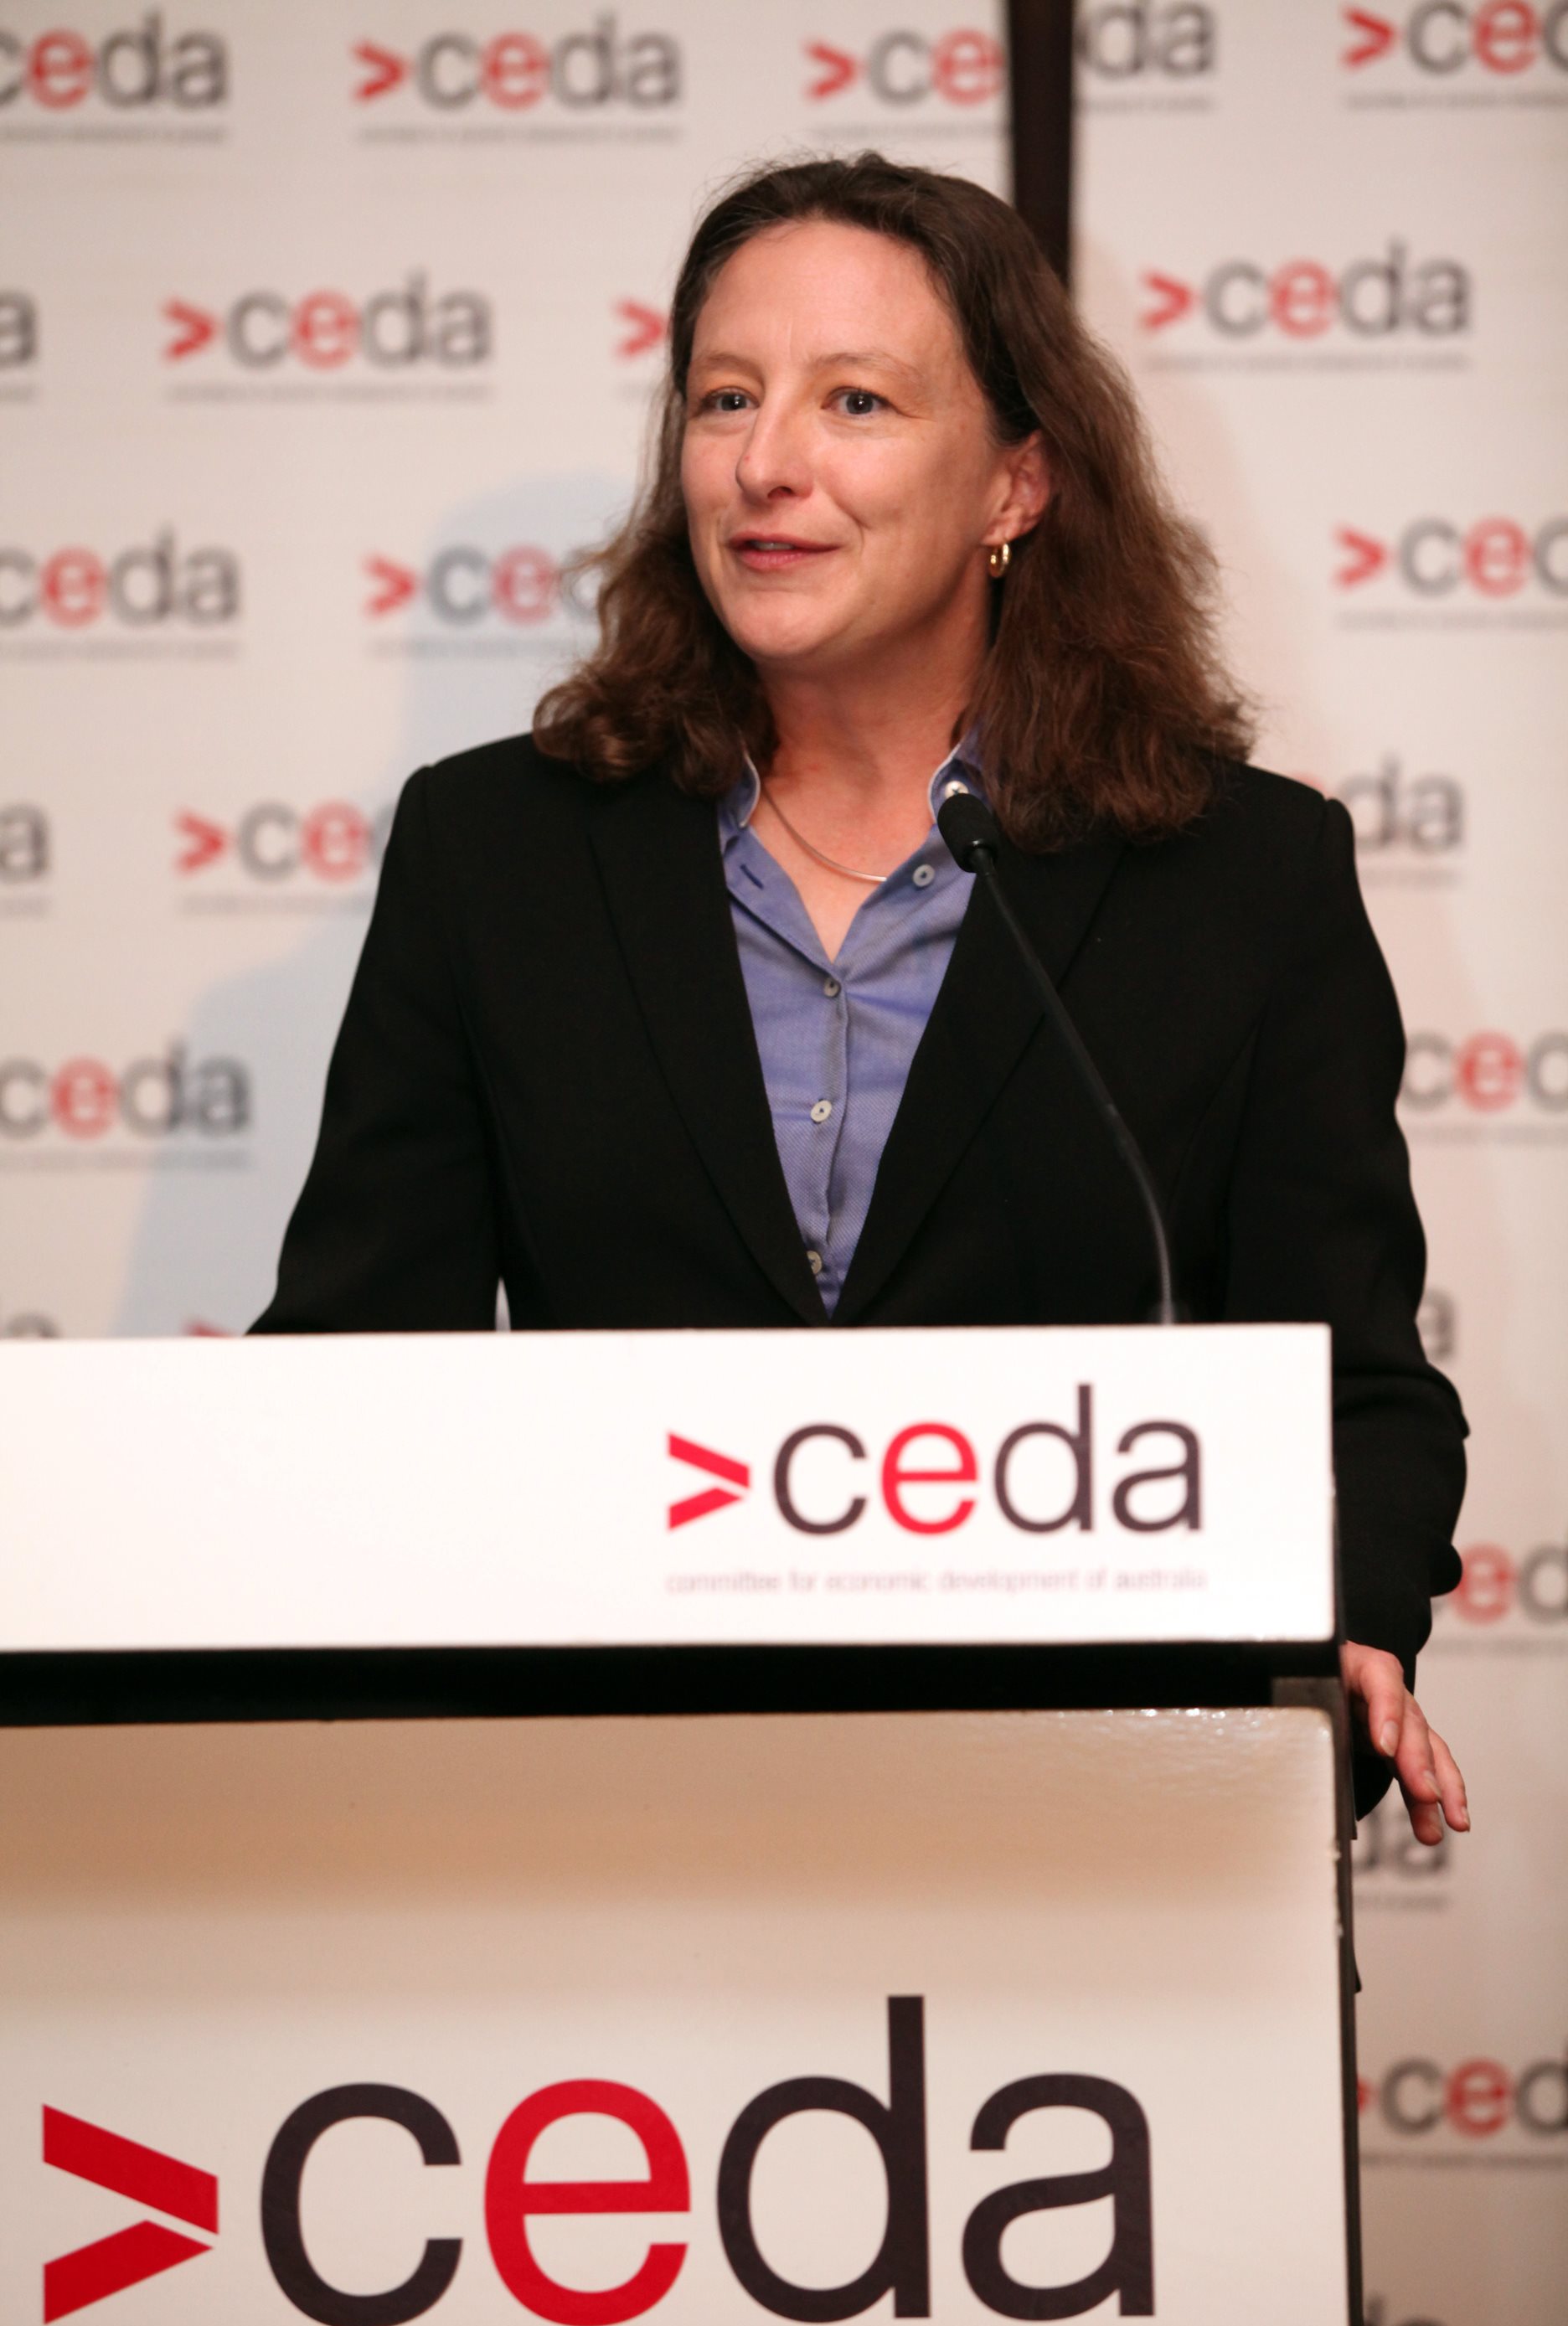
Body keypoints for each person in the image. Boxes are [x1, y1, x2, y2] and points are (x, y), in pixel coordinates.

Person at [253, 152, 1469, 1844]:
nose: (767, 463)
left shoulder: (1241, 877)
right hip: (594, 1819)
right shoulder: (497, 853)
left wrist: (1348, 1620)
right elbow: (350, 1376)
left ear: (1017, 485)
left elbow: (1353, 1386)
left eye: (856, 402)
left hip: (1091, 1816)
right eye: (725, 397)